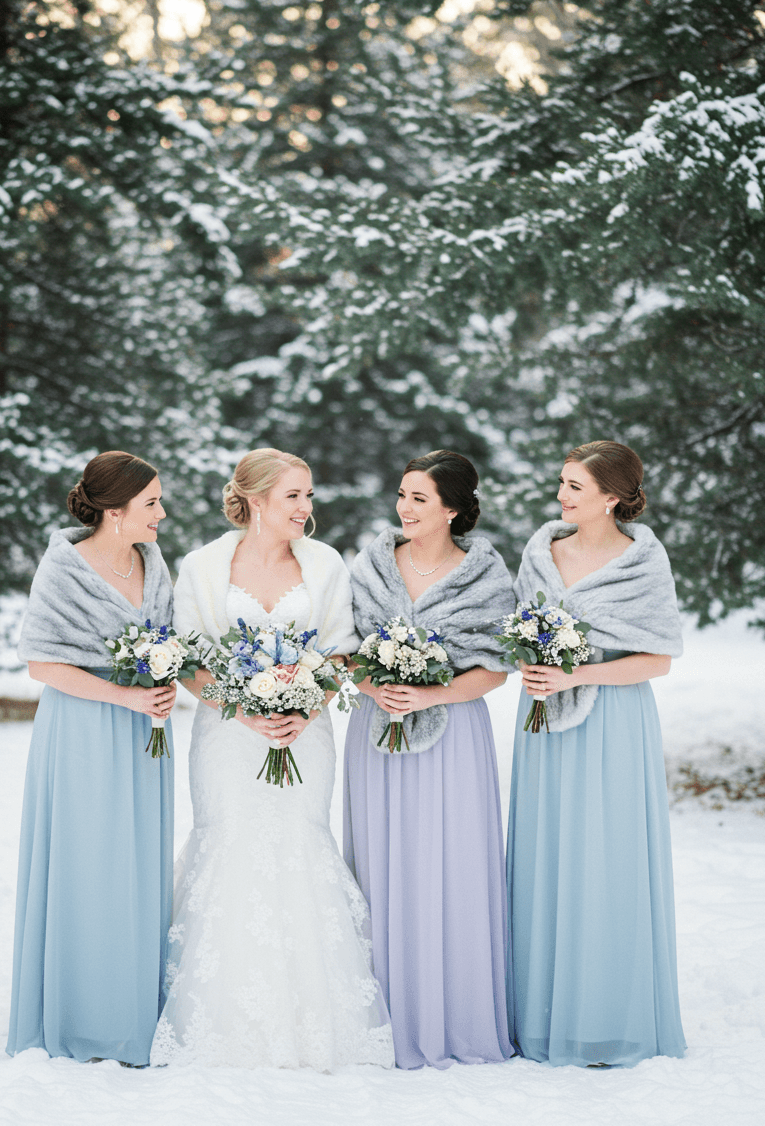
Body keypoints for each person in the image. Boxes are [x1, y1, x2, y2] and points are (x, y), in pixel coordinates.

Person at [149, 448, 394, 1072]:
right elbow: (189, 661)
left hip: (305, 736)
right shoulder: (202, 566)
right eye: (294, 496)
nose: (306, 507)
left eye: (308, 495)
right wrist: (243, 709)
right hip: (226, 736)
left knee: (298, 844)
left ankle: (313, 1022)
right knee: (229, 844)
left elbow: (341, 652)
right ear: (256, 499)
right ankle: (219, 1019)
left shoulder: (326, 563)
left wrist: (304, 709)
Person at [507, 440, 686, 1068]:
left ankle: (609, 1017)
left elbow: (658, 660)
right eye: (562, 483)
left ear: (612, 497)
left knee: (609, 857)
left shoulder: (643, 562)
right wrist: (534, 665)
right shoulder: (541, 553)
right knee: (547, 853)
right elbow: (514, 635)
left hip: (615, 721)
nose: (561, 495)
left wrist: (578, 675)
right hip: (542, 722)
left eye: (575, 487)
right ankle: (540, 1014)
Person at [343, 450, 516, 1069]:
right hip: (377, 730)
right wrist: (374, 686)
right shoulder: (369, 565)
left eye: (419, 498)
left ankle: (456, 1016)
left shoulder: (486, 575)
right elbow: (344, 651)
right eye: (402, 494)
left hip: (454, 736)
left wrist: (432, 694)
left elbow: (496, 668)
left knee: (452, 863)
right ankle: (382, 1018)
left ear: (453, 509)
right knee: (383, 862)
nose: (404, 508)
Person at [7, 451, 176, 1065]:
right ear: (114, 509)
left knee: (137, 864)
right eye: (151, 502)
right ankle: (78, 1015)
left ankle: (132, 1013)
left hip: (144, 733)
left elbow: (169, 640)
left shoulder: (153, 562)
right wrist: (123, 695)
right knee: (85, 863)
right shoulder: (64, 568)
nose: (162, 513)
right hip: (81, 728)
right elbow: (41, 663)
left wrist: (164, 683)